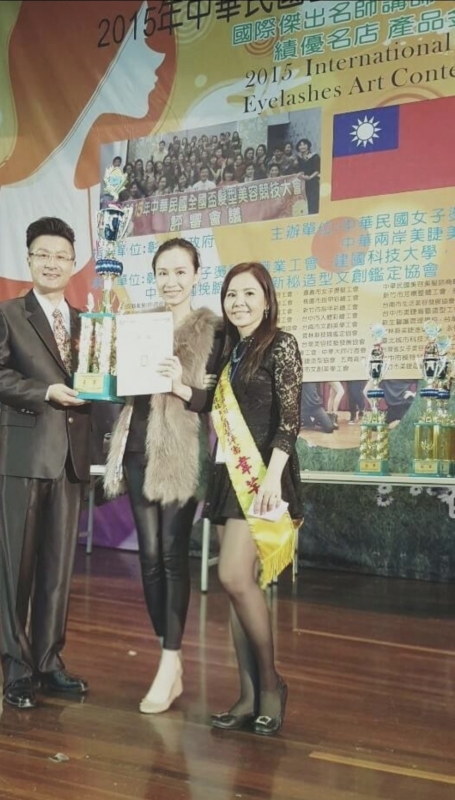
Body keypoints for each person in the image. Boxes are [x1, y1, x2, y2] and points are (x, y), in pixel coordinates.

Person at [0, 216, 91, 709]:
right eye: (43, 254)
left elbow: (99, 381)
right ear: (29, 259)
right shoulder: (6, 314)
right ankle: (16, 669)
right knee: (16, 570)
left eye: (61, 256)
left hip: (71, 459)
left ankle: (47, 661)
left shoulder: (88, 323)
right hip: (24, 457)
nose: (52, 263)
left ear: (73, 263)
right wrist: (43, 391)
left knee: (57, 571)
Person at [104, 238, 222, 715]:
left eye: (180, 272)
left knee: (173, 555)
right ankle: (168, 655)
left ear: (196, 275)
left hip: (181, 453)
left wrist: (183, 385)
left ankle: (170, 660)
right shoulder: (141, 324)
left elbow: (215, 399)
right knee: (149, 556)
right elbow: (123, 390)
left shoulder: (214, 331)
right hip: (136, 447)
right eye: (163, 273)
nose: (171, 282)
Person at [205, 262, 302, 736]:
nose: (238, 302)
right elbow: (209, 404)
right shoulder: (228, 350)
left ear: (267, 300)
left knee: (233, 576)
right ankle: (246, 696)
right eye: (231, 294)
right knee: (236, 586)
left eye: (249, 294)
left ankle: (271, 685)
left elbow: (290, 420)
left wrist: (273, 479)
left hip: (264, 476)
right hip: (229, 475)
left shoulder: (281, 344)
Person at [296, 138, 321, 215]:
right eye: (300, 145)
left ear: (308, 146)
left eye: (304, 144)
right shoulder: (298, 158)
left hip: (312, 182)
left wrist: (310, 177)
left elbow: (317, 170)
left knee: (313, 200)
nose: (302, 146)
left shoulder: (315, 156)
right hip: (302, 183)